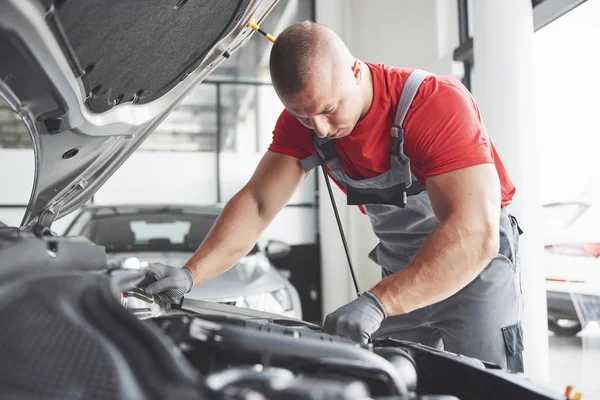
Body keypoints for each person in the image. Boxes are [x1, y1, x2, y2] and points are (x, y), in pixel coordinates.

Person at [143, 21, 524, 372]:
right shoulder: (303, 123)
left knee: (487, 385)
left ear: (356, 71)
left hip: (475, 270)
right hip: (401, 273)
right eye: (304, 116)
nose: (321, 128)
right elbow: (258, 204)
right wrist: (192, 274)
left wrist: (379, 302)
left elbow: (475, 234)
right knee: (391, 380)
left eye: (328, 109)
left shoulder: (433, 103)